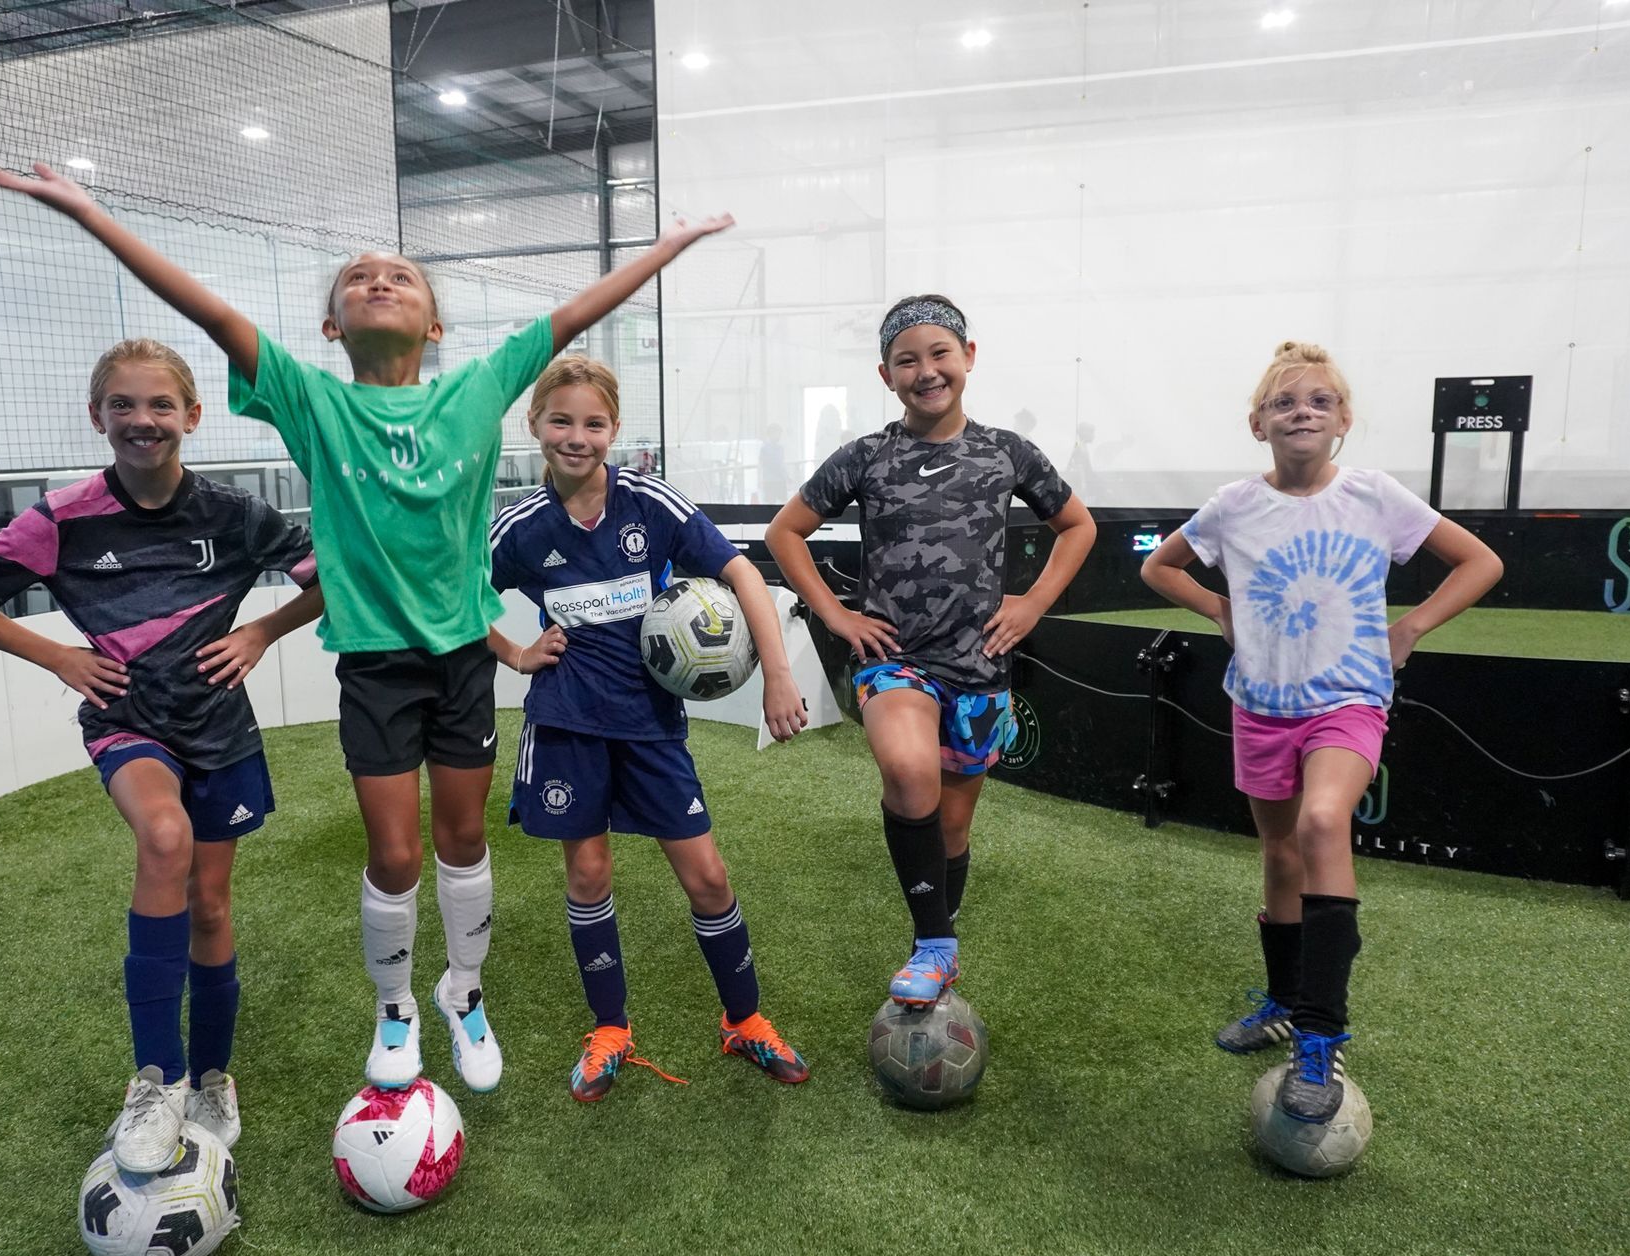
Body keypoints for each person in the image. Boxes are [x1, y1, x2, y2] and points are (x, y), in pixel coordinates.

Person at [0, 159, 734, 1095]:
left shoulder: (481, 389)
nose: (381, 280)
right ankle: (395, 1006)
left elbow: (576, 316)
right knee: (395, 852)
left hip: (459, 664)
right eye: (360, 278)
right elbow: (207, 312)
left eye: (401, 276)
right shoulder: (312, 399)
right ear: (333, 324)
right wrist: (91, 211)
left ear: (435, 324)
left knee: (462, 844)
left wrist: (667, 244)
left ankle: (462, 991)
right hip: (374, 668)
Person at [0, 339, 321, 1172]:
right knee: (163, 839)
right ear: (97, 416)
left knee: (210, 908)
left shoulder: (233, 513)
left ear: (191, 417)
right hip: (128, 722)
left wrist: (260, 629)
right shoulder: (64, 515)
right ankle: (156, 1080)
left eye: (160, 406)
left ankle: (212, 1077)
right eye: (124, 406)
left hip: (221, 727)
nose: (143, 421)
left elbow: (334, 577)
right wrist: (60, 656)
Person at [1140, 340, 1502, 1123]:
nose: (1301, 411)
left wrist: (1411, 627)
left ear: (1342, 421)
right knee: (1277, 853)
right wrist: (1218, 610)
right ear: (1257, 423)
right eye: (1284, 402)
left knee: (1322, 821)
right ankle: (1281, 998)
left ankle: (1320, 1032)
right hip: (1261, 704)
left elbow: (1479, 562)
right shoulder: (1235, 505)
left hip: (1349, 699)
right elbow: (1159, 568)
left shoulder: (1375, 496)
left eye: (1318, 401)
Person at [487, 356, 810, 1101]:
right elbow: (452, 594)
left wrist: (779, 673)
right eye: (560, 421)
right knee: (589, 873)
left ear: (614, 429)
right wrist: (514, 652)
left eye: (593, 423)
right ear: (534, 425)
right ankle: (611, 1030)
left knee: (708, 876)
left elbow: (743, 574)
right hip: (567, 724)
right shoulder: (522, 525)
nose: (577, 436)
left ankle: (745, 1019)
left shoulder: (648, 503)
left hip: (652, 728)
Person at [764, 295, 1096, 1007]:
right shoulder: (867, 456)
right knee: (910, 773)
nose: (926, 370)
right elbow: (784, 532)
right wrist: (837, 616)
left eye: (939, 354)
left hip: (979, 666)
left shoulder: (1006, 452)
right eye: (906, 360)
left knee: (950, 823)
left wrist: (1033, 602)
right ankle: (935, 946)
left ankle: (937, 936)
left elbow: (1078, 526)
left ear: (968, 358)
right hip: (894, 660)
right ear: (885, 374)